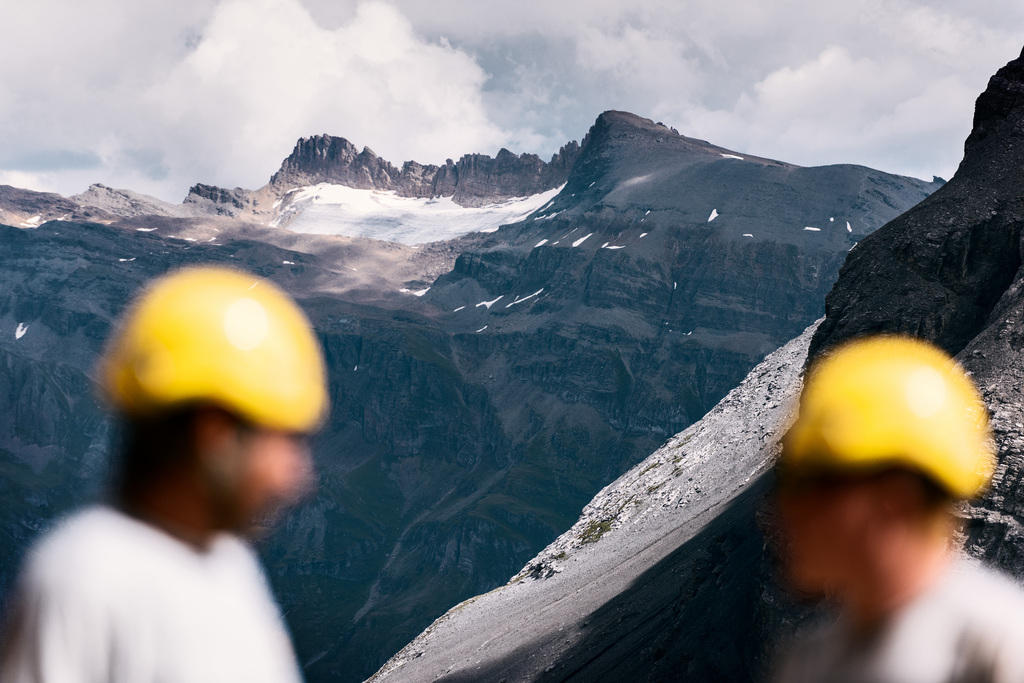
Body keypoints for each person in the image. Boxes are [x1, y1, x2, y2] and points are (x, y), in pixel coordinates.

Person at [0, 266, 328, 683]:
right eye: (283, 440)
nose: (296, 478)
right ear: (215, 434)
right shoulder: (86, 580)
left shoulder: (227, 568)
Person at [773, 335, 1024, 682]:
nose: (791, 507)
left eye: (816, 484)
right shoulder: (809, 663)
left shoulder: (1002, 649)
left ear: (895, 500)